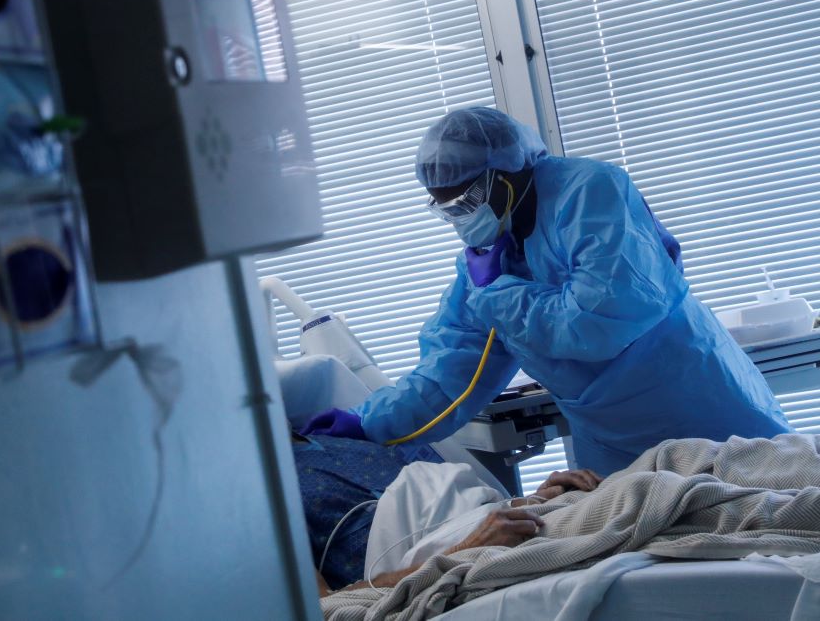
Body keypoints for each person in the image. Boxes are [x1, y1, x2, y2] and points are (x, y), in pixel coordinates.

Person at [305, 107, 791, 474]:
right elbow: (452, 373)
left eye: (468, 199)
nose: (461, 216)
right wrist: (369, 421)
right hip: (614, 446)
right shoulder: (485, 263)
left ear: (506, 171)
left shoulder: (590, 193)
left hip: (703, 411)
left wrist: (497, 293)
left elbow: (601, 321)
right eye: (446, 208)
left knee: (781, 533)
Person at [292, 430, 602, 594]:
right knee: (639, 498)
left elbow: (442, 503)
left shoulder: (339, 441)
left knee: (639, 477)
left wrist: (534, 499)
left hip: (508, 523)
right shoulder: (262, 503)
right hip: (467, 558)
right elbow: (324, 608)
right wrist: (463, 552)